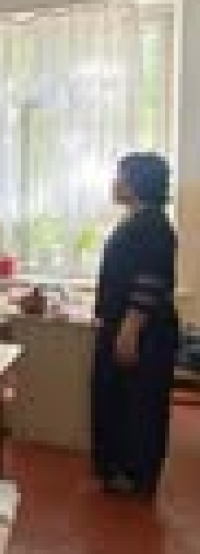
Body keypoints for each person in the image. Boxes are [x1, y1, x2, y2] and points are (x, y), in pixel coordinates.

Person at [92, 153, 179, 498]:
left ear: (137, 182)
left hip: (142, 331)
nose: (115, 182)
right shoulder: (138, 219)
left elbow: (150, 280)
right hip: (125, 325)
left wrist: (130, 328)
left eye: (121, 176)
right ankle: (118, 468)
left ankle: (134, 474)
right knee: (118, 399)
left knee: (139, 404)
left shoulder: (153, 225)